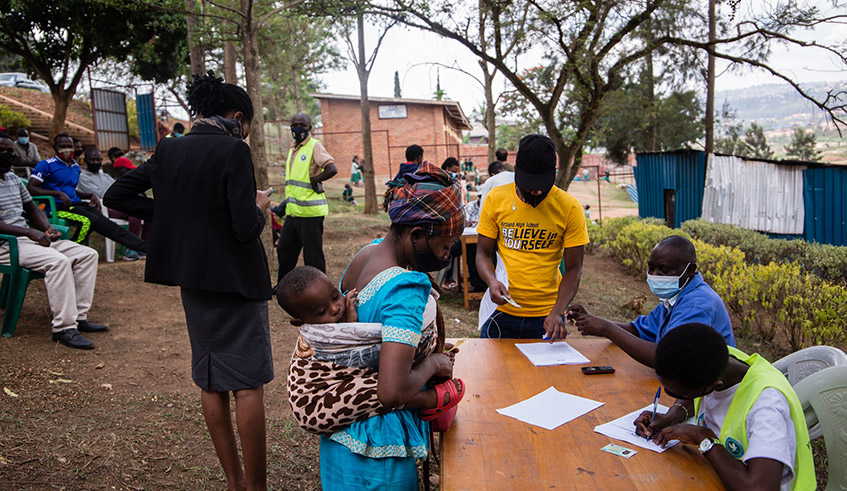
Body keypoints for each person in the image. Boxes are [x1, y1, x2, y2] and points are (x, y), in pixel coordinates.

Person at [104, 72, 274, 491]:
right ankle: (256, 488)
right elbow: (244, 227)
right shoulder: (233, 150)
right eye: (247, 124)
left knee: (211, 379)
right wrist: (259, 205)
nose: (246, 132)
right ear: (238, 116)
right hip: (237, 281)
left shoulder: (169, 149)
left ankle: (234, 483)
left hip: (192, 279)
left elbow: (116, 197)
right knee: (248, 385)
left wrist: (174, 217)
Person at [310, 162, 464, 489]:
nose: (448, 256)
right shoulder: (405, 290)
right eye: (445, 247)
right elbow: (391, 392)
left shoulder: (366, 255)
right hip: (378, 455)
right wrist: (434, 364)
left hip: (340, 438)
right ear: (417, 236)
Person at [278, 265, 464, 435]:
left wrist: (352, 325)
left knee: (391, 368)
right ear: (300, 322)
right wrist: (430, 360)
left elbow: (385, 346)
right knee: (388, 382)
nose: (335, 308)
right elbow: (368, 354)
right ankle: (425, 399)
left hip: (335, 390)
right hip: (315, 406)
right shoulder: (318, 338)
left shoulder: (337, 315)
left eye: (335, 296)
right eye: (321, 311)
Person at [635, 323, 815, 490]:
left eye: (676, 393)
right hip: (712, 473)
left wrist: (704, 438)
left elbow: (760, 487)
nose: (670, 395)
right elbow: (691, 394)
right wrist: (670, 416)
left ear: (714, 386)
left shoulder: (767, 407)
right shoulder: (715, 359)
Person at [476, 134, 588, 340]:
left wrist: (557, 312)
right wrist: (492, 281)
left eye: (541, 186)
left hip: (546, 316)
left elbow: (574, 269)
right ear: (517, 173)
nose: (536, 192)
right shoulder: (496, 199)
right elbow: (482, 252)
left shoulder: (569, 207)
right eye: (529, 186)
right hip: (500, 314)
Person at [0, 132, 106, 349]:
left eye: (11, 151)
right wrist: (29, 233)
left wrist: (46, 228)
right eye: (4, 151)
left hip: (27, 239)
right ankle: (63, 328)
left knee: (87, 254)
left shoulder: (11, 178)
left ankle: (78, 316)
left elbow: (31, 207)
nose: (10, 156)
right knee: (58, 261)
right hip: (6, 244)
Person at [567, 235, 735, 368]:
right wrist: (595, 322)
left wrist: (606, 329)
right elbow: (640, 329)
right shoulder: (677, 296)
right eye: (651, 268)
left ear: (689, 270)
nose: (655, 275)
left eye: (664, 269)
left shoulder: (696, 305)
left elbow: (667, 358)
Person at [26, 134, 148, 254]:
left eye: (69, 146)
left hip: (76, 205)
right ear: (55, 147)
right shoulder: (46, 165)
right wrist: (57, 193)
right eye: (63, 146)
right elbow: (31, 188)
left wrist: (89, 195)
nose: (67, 149)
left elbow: (71, 191)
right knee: (88, 221)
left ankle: (143, 247)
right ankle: (72, 250)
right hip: (56, 208)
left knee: (108, 225)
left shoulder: (75, 167)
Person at [276, 112, 337, 283]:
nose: (298, 128)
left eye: (302, 125)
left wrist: (314, 180)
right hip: (294, 212)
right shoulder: (293, 148)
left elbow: (332, 169)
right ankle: (283, 285)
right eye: (295, 124)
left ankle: (320, 287)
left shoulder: (314, 146)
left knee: (313, 255)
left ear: (309, 127)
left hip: (310, 213)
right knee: (284, 249)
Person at [75, 147, 147, 260]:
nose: (95, 162)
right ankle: (131, 248)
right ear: (86, 160)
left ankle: (144, 246)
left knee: (145, 211)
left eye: (98, 160)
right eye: (92, 159)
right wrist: (118, 194)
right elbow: (101, 194)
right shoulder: (82, 177)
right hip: (101, 208)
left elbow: (119, 190)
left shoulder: (105, 176)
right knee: (135, 212)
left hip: (116, 205)